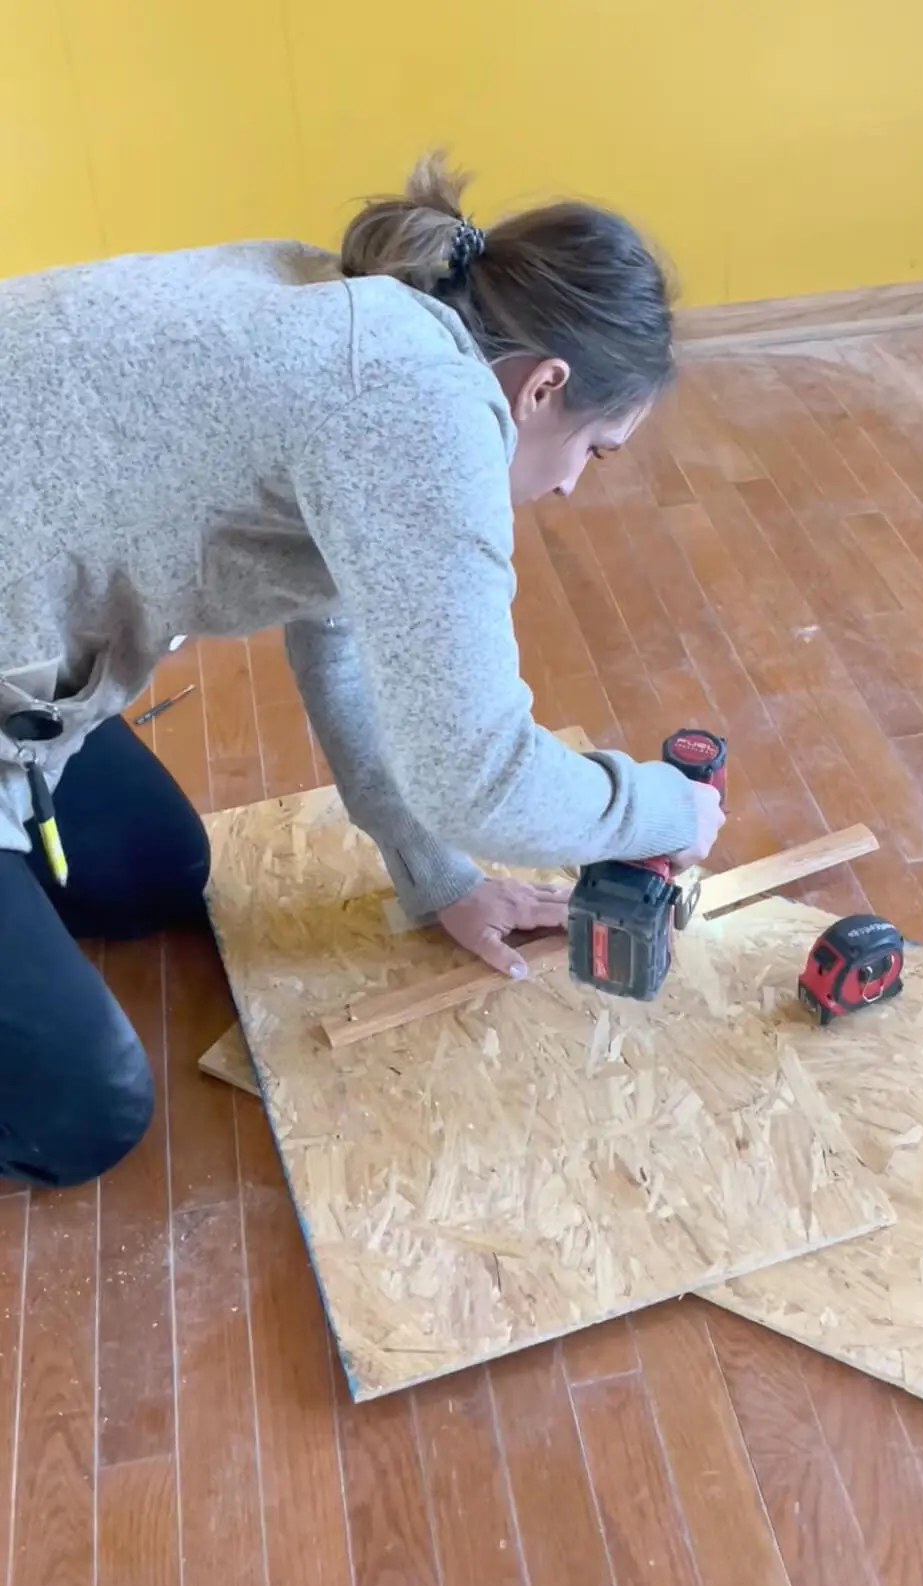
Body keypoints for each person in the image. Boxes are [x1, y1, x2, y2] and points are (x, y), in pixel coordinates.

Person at [0, 153, 726, 1189]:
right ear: (544, 386)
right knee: (79, 1116)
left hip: (19, 650)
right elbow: (482, 778)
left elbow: (339, 637)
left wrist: (438, 880)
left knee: (154, 876)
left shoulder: (378, 327)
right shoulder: (411, 406)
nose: (568, 485)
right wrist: (666, 810)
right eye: (595, 451)